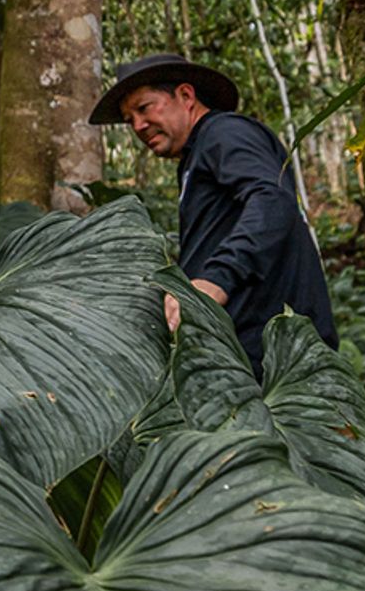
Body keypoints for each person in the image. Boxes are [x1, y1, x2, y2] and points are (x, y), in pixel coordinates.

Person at [88, 52, 338, 378]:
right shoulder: (196, 157)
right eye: (129, 118)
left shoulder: (224, 133)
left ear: (186, 96)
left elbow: (272, 200)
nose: (137, 125)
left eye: (144, 107)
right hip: (239, 357)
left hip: (277, 358)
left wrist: (217, 278)